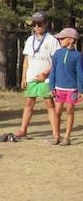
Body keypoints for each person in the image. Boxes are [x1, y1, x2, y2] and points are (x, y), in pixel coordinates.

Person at [16, 11, 61, 141]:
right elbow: (26, 60)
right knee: (29, 103)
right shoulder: (30, 40)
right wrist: (24, 77)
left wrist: (45, 73)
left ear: (46, 24)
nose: (37, 27)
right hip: (32, 77)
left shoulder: (52, 40)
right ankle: (23, 130)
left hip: (46, 78)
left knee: (49, 104)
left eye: (39, 24)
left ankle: (55, 133)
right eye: (34, 24)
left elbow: (56, 60)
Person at [49, 28, 83, 146]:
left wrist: (81, 89)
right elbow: (52, 70)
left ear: (71, 40)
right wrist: (51, 87)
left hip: (72, 89)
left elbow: (80, 73)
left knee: (69, 110)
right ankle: (56, 135)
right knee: (57, 111)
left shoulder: (78, 56)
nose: (60, 40)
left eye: (62, 38)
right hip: (59, 88)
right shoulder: (57, 53)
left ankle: (67, 136)